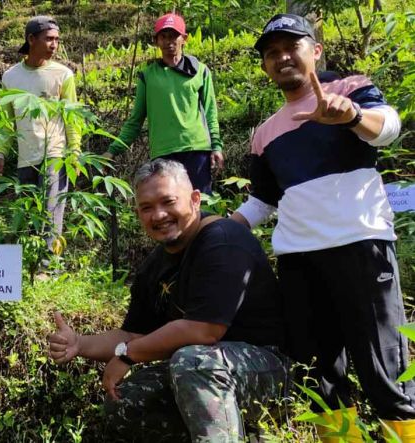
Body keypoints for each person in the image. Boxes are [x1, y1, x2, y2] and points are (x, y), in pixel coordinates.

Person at [230, 13, 415, 439]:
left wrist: (349, 115)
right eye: (271, 54)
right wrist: (214, 229)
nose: (281, 58)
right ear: (264, 66)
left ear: (315, 51)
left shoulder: (349, 90)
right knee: (322, 377)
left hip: (361, 246)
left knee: (385, 370)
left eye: (291, 47)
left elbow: (387, 129)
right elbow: (263, 199)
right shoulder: (265, 134)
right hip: (298, 261)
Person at [48, 159, 286, 441]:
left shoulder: (223, 240)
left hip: (269, 368)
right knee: (127, 399)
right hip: (208, 371)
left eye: (168, 202)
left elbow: (204, 330)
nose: (158, 215)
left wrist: (127, 354)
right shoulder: (154, 266)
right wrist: (79, 344)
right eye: (147, 208)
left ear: (195, 199)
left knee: (193, 361)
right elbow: (134, 333)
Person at [105, 12, 224, 194]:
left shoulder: (200, 71)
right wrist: (112, 151)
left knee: (201, 205)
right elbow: (135, 120)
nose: (169, 41)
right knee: (171, 205)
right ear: (156, 41)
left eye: (174, 36)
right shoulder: (148, 76)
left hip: (196, 149)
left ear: (184, 38)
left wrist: (216, 146)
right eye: (164, 36)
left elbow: (210, 112)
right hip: (163, 152)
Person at [0, 16, 81, 251]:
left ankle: (49, 266)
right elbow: (6, 121)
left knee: (52, 211)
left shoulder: (63, 75)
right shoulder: (10, 77)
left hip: (55, 153)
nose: (54, 44)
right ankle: (31, 261)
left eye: (57, 40)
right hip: (26, 155)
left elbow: (72, 117)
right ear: (31, 39)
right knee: (29, 210)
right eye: (49, 39)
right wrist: (0, 153)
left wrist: (75, 151)